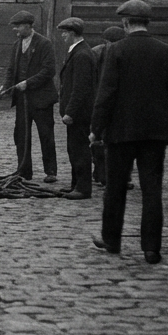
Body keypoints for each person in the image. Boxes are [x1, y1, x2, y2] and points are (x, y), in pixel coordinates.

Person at [90, 0, 168, 264]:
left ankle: (111, 240)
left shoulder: (116, 51)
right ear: (147, 23)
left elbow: (106, 93)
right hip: (155, 133)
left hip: (121, 132)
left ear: (125, 23)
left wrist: (96, 128)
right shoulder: (167, 51)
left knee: (115, 188)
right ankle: (151, 248)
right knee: (152, 190)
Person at [2, 10, 59, 182]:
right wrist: (6, 86)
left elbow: (49, 70)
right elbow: (11, 69)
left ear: (28, 26)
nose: (15, 29)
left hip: (42, 99)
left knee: (46, 135)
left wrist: (28, 83)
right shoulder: (16, 45)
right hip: (22, 100)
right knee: (21, 136)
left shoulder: (44, 44)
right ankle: (24, 170)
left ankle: (50, 171)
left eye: (18, 26)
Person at [55, 17, 98, 200]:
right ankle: (76, 184)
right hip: (77, 113)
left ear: (72, 33)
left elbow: (81, 87)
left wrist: (70, 112)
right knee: (74, 150)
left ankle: (83, 188)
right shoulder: (77, 51)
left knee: (80, 151)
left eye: (65, 33)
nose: (63, 36)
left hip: (79, 113)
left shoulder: (81, 55)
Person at [89, 26, 126, 188]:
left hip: (120, 104)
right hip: (100, 102)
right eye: (110, 42)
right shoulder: (96, 53)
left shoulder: (126, 54)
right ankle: (100, 173)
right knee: (98, 139)